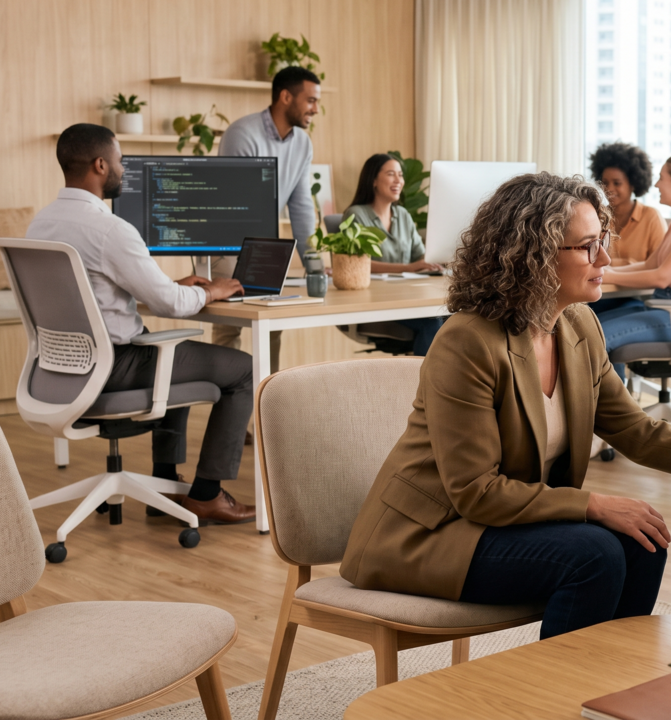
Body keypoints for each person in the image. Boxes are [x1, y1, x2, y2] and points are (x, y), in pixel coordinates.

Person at [339, 172, 671, 639]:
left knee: (643, 542)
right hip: (429, 534)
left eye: (602, 240)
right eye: (586, 246)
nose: (604, 258)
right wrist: (595, 505)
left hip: (497, 523)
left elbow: (637, 432)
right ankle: (556, 698)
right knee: (594, 554)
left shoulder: (579, 326)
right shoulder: (467, 342)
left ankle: (610, 693)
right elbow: (476, 491)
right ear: (533, 256)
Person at [26, 124, 256, 523]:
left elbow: (93, 293)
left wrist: (167, 285)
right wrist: (213, 291)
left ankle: (162, 484)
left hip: (60, 369)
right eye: (119, 161)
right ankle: (207, 494)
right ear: (100, 165)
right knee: (243, 371)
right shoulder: (111, 229)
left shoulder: (42, 224)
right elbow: (171, 303)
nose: (122, 170)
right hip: (113, 367)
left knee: (170, 352)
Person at [211, 66, 322, 374]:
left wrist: (313, 263)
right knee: (228, 326)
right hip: (228, 246)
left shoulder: (303, 143)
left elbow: (300, 207)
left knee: (272, 324)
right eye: (310, 100)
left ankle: (263, 408)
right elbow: (240, 206)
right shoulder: (242, 134)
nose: (316, 109)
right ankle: (226, 406)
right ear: (286, 97)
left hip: (264, 246)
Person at [597, 153, 671, 379]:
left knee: (597, 338)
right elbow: (651, 264)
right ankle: (611, 407)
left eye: (662, 178)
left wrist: (610, 277)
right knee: (590, 327)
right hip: (662, 308)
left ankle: (614, 411)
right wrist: (607, 271)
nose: (657, 184)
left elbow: (661, 277)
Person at [342, 153, 445, 356]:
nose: (399, 180)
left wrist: (437, 259)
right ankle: (420, 385)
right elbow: (356, 265)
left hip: (407, 298)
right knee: (432, 321)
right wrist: (407, 268)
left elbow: (419, 256)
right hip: (375, 302)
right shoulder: (356, 215)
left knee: (451, 317)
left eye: (400, 175)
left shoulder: (403, 215)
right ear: (373, 180)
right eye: (391, 174)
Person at [589, 141, 666, 265]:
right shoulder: (597, 216)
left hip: (640, 284)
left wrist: (623, 265)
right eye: (605, 182)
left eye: (617, 183)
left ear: (633, 184)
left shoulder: (651, 217)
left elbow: (660, 265)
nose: (609, 189)